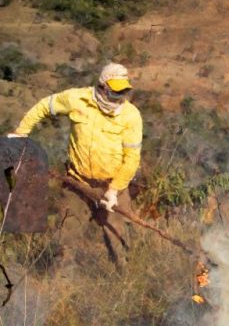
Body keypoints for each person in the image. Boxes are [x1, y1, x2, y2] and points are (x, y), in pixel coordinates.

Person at [7, 62, 143, 266]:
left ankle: (126, 275)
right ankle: (62, 278)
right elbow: (45, 105)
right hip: (77, 181)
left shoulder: (131, 115)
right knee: (68, 233)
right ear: (103, 87)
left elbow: (132, 158)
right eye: (115, 92)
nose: (119, 97)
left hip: (113, 184)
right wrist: (21, 133)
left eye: (123, 92)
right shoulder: (77, 99)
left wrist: (114, 190)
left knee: (118, 234)